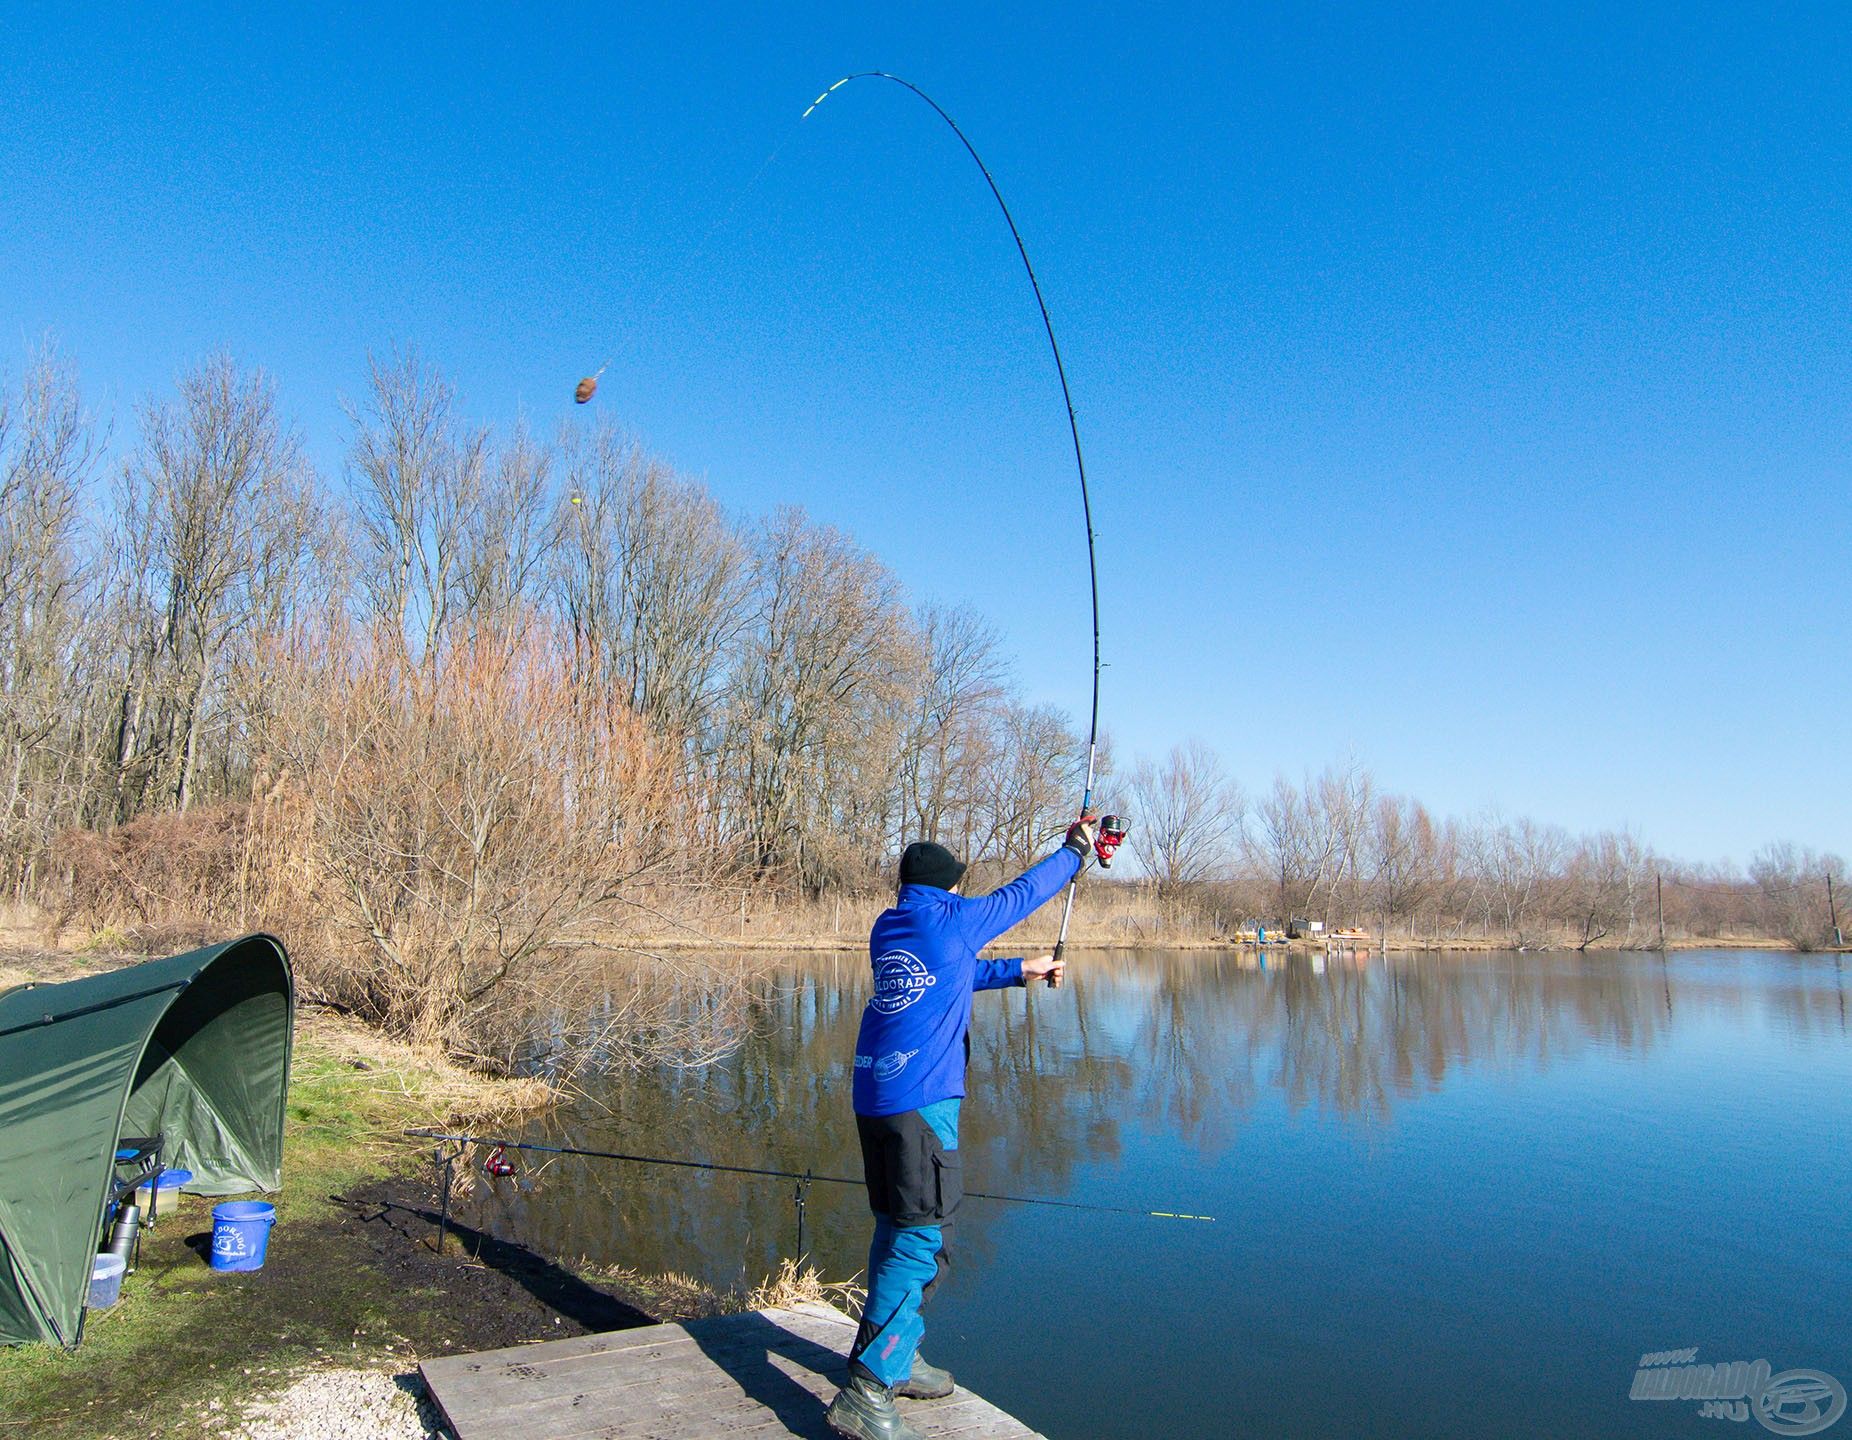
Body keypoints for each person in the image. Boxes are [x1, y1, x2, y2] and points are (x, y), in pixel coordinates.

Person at [825, 818, 1100, 1440]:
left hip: (876, 1095)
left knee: (897, 1224)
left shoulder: (892, 925)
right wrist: (1075, 851)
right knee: (923, 1238)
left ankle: (895, 1354)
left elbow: (948, 978)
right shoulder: (953, 918)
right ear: (950, 890)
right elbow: (1022, 894)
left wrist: (1018, 971)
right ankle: (868, 1391)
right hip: (922, 1102)